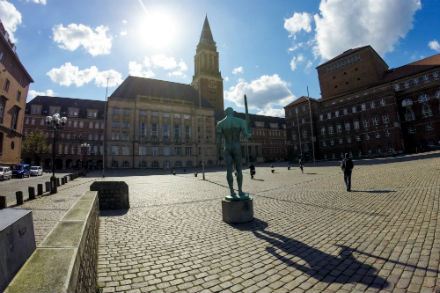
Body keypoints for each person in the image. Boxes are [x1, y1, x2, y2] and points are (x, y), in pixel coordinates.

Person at [217, 107, 251, 198]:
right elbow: (246, 135)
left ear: (225, 113)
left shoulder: (220, 123)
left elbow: (218, 141)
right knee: (239, 170)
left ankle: (232, 191)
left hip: (227, 147)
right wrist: (249, 135)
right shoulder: (240, 121)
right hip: (236, 147)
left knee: (229, 170)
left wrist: (218, 152)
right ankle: (240, 191)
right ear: (233, 112)